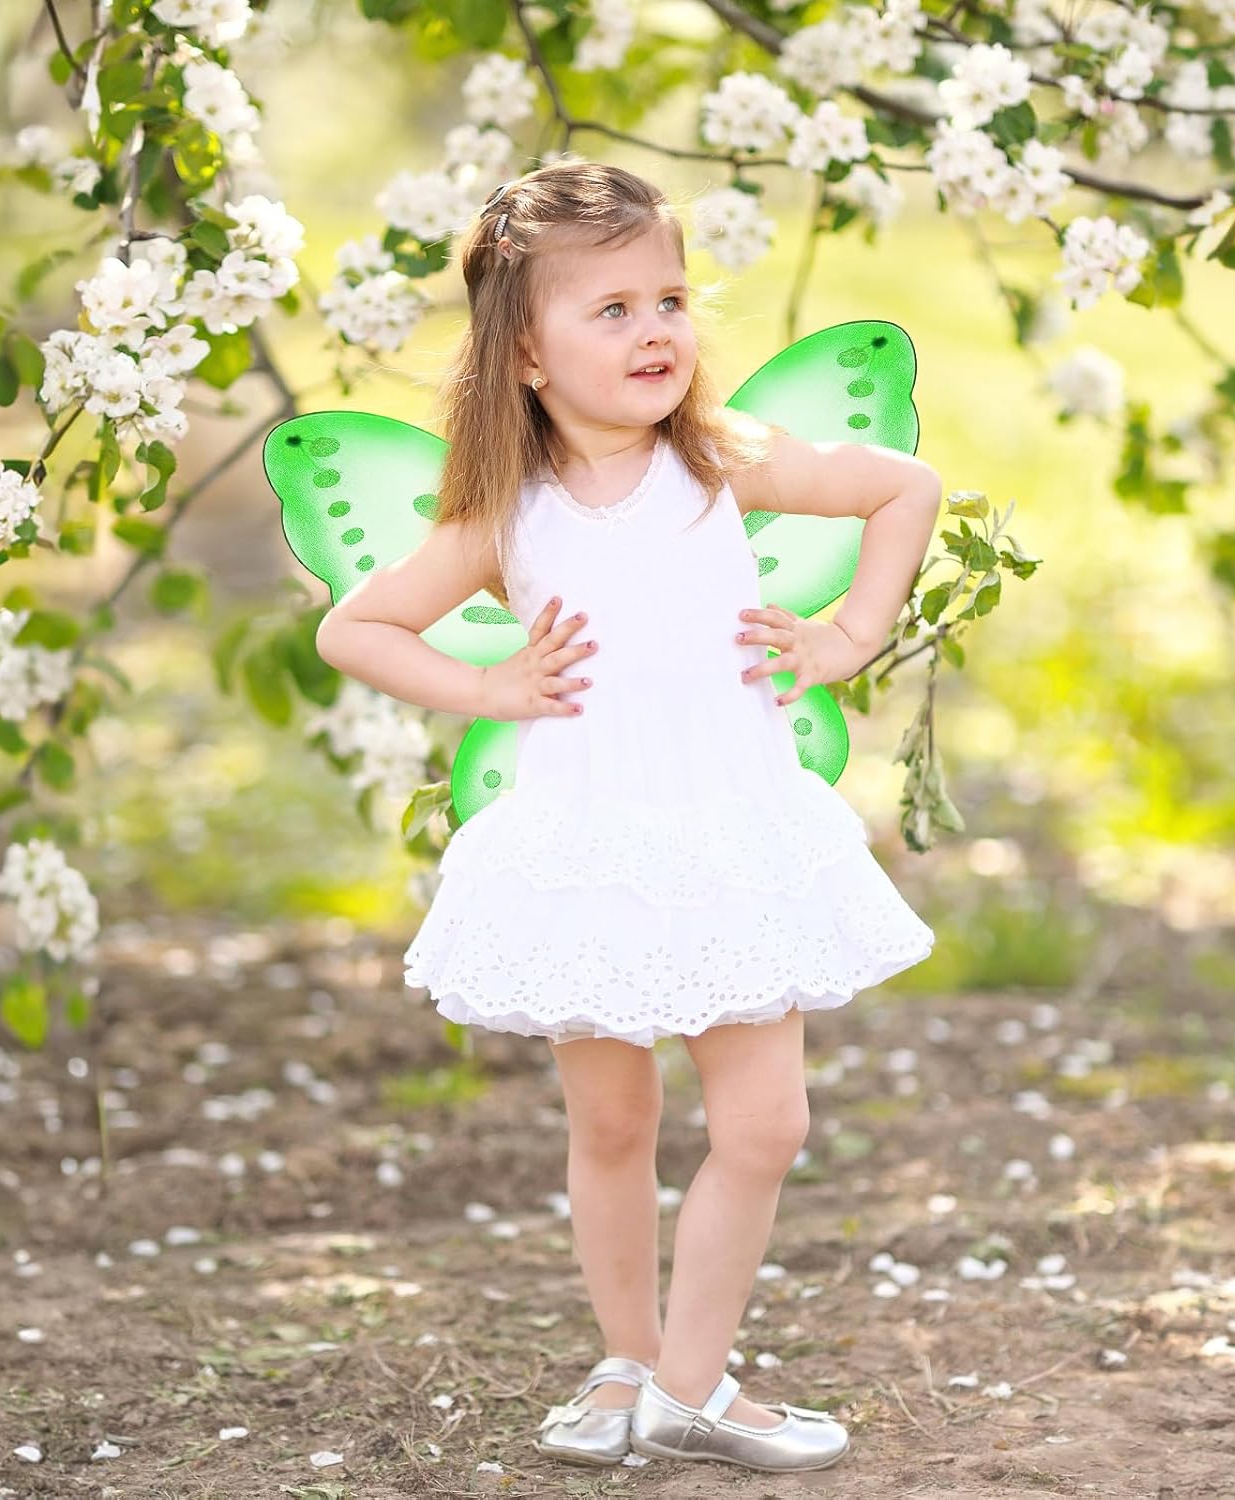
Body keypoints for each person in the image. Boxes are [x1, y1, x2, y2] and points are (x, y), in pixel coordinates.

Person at [314, 158, 940, 1473]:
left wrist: (848, 635)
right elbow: (356, 627)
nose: (655, 330)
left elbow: (904, 489)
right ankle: (626, 1363)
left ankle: (689, 1385)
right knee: (612, 1124)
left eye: (669, 300)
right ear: (526, 354)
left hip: (728, 839)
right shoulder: (507, 513)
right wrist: (489, 685)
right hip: (588, 850)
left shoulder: (720, 463)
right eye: (612, 310)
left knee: (765, 1124)